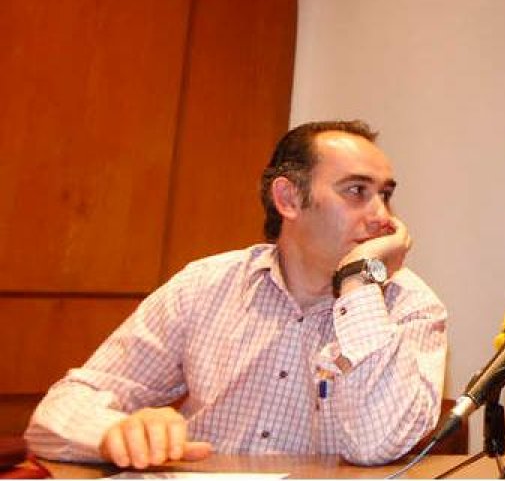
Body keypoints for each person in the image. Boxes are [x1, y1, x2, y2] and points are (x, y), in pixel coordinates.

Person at [26, 120, 447, 468]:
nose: (383, 217)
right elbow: (59, 410)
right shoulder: (206, 285)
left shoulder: (410, 305)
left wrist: (359, 280)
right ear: (288, 199)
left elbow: (377, 445)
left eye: (386, 195)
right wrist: (116, 434)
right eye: (357, 191)